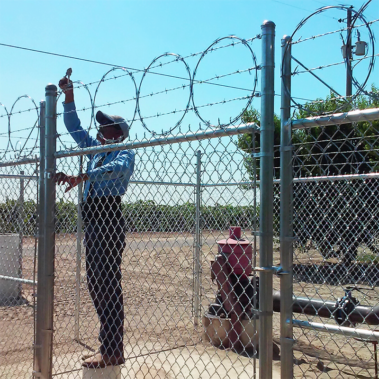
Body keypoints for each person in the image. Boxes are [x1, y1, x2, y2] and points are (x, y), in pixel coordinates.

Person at [56, 76, 135, 368]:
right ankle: (109, 347)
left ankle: (113, 349)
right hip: (93, 217)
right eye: (100, 126)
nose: (100, 129)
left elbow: (119, 168)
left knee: (107, 283)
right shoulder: (93, 148)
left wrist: (86, 176)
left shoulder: (124, 151)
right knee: (96, 283)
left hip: (109, 216)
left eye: (107, 126)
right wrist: (69, 95)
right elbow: (73, 126)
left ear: (118, 133)